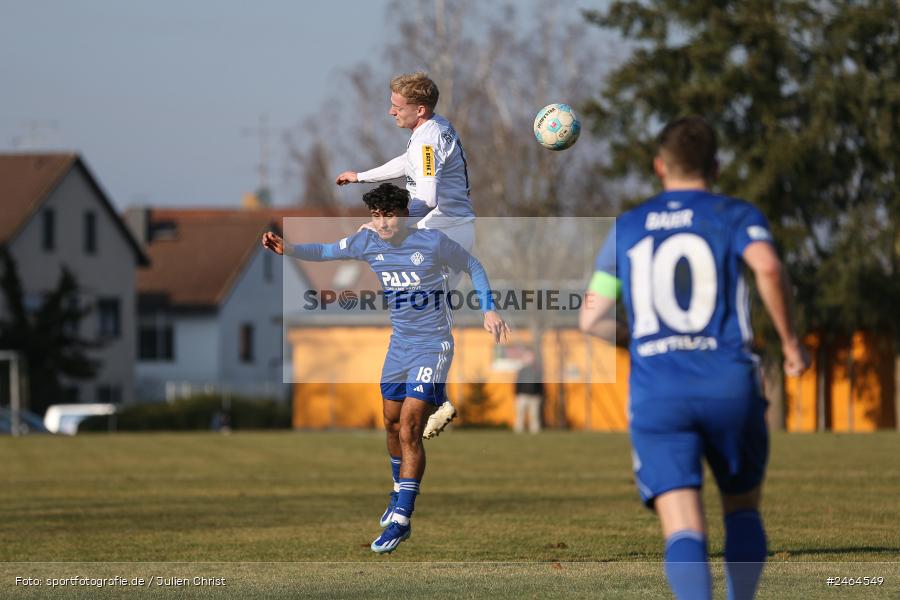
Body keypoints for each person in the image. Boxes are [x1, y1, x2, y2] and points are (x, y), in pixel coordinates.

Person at [579, 116, 809, 600]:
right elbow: (767, 265)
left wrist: (638, 339)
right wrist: (791, 344)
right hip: (730, 383)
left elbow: (591, 321)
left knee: (683, 524)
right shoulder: (738, 215)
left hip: (660, 391)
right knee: (742, 507)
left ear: (659, 166)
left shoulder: (629, 227)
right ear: (717, 167)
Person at [262, 183, 508, 554]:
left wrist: (488, 308)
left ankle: (402, 519)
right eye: (376, 216)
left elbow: (473, 264)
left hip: (433, 346)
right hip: (398, 348)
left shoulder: (431, 243)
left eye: (388, 215)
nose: (382, 223)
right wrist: (290, 249)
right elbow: (328, 252)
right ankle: (398, 489)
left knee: (409, 426)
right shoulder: (367, 241)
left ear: (403, 214)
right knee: (390, 422)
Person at [335, 72, 474, 440]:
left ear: (420, 109)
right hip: (445, 228)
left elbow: (426, 196)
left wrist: (388, 223)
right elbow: (405, 163)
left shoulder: (427, 140)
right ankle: (438, 396)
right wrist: (361, 176)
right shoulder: (429, 133)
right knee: (424, 309)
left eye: (397, 107)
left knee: (424, 313)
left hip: (443, 230)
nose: (390, 111)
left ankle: (438, 398)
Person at [513, 349, 543, 434]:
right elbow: (517, 383)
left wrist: (540, 394)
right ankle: (518, 430)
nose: (529, 359)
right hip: (522, 396)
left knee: (534, 415)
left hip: (534, 396)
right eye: (527, 357)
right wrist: (517, 395)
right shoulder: (521, 370)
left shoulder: (537, 371)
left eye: (531, 357)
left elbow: (540, 384)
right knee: (520, 414)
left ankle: (535, 431)